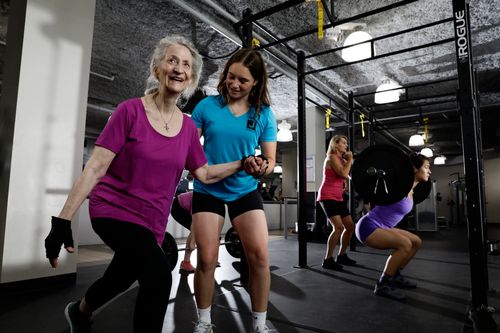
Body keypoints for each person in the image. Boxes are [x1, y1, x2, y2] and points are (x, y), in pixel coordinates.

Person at [44, 36, 245, 333]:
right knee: (159, 275)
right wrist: (62, 220)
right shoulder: (129, 111)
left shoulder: (189, 128)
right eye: (172, 60)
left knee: (123, 275)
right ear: (156, 67)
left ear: (191, 78)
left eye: (186, 65)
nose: (179, 69)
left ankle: (80, 310)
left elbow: (203, 173)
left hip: (151, 220)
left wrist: (243, 163)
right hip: (113, 208)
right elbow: (96, 167)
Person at [190, 48, 277, 333]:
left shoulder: (264, 114)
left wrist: (259, 167)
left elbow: (270, 160)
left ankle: (260, 325)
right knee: (206, 258)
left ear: (256, 83)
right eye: (230, 76)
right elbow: (189, 148)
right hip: (208, 188)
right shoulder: (206, 107)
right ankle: (204, 323)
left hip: (244, 189)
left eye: (243, 80)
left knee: (260, 258)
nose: (235, 84)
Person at [355, 152, 431, 301]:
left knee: (416, 242)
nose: (429, 171)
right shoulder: (397, 187)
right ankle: (383, 284)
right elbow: (377, 185)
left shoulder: (410, 190)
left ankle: (395, 275)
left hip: (383, 226)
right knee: (405, 244)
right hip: (369, 227)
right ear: (415, 169)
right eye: (427, 167)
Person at [317, 134, 357, 270]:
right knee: (338, 227)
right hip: (327, 196)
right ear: (336, 144)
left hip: (338, 197)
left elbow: (348, 176)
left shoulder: (341, 159)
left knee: (350, 226)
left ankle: (342, 255)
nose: (346, 145)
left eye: (346, 143)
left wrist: (348, 164)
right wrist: (350, 160)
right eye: (343, 143)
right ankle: (327, 259)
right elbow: (343, 174)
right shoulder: (332, 157)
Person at [170, 191, 197, 273]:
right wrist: (192, 241)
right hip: (177, 206)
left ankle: (209, 259)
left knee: (201, 231)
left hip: (181, 205)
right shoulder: (202, 197)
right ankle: (186, 263)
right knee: (197, 230)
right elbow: (195, 222)